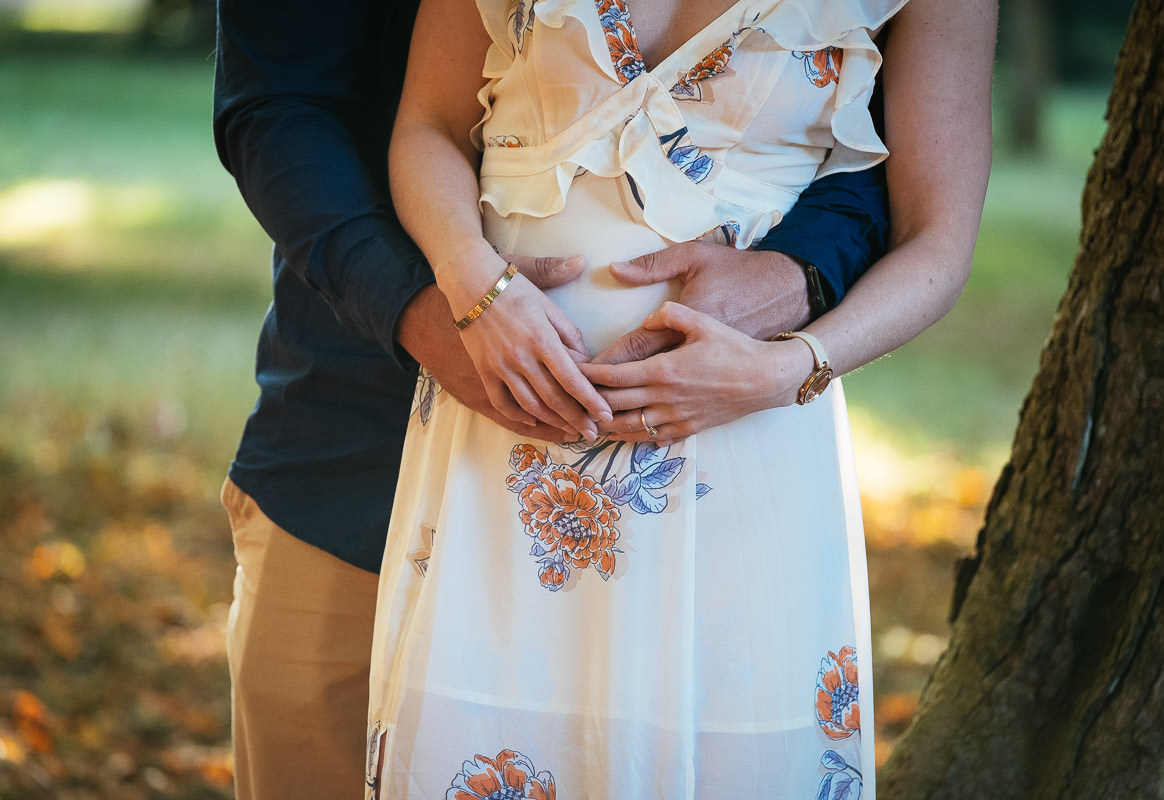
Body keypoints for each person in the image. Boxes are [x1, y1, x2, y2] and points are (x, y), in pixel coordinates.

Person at [211, 0, 889, 797]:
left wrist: (799, 275)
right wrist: (422, 309)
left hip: (716, 487)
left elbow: (873, 130)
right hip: (355, 428)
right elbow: (280, 106)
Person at [366, 0, 994, 797]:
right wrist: (471, 282)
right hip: (501, 431)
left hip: (743, 456)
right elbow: (428, 124)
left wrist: (792, 368)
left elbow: (937, 238)